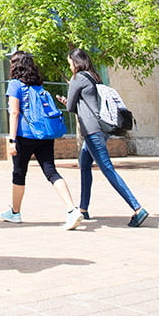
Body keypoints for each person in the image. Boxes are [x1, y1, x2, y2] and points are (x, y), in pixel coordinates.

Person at [64, 48, 148, 227]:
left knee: (107, 168)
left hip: (92, 130)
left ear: (75, 62)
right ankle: (83, 209)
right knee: (84, 164)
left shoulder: (77, 78)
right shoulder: (94, 76)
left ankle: (137, 208)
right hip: (101, 128)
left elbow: (70, 107)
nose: (69, 66)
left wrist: (68, 101)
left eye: (70, 62)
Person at [1, 50, 85, 230]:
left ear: (16, 65)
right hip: (45, 135)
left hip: (25, 136)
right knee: (51, 171)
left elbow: (14, 112)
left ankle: (15, 213)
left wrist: (11, 140)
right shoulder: (38, 86)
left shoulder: (15, 84)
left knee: (19, 173)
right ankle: (71, 209)